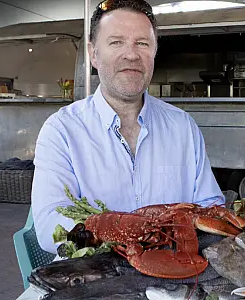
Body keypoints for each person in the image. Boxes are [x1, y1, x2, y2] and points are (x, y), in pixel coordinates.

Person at [31, 0, 224, 254]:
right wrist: (122, 239)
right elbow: (50, 226)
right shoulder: (61, 130)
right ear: (93, 54)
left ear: (154, 52)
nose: (131, 54)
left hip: (175, 273)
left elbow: (209, 205)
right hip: (92, 277)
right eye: (116, 42)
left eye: (142, 43)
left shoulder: (183, 127)